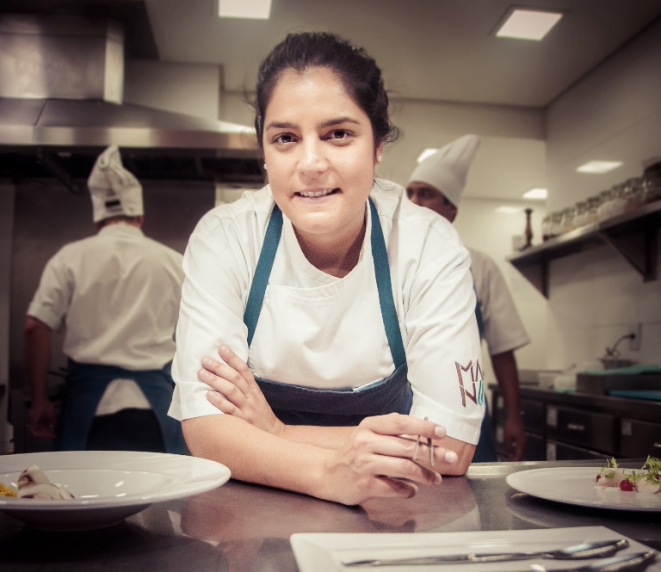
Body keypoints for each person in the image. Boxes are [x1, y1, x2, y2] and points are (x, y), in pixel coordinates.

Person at [169, 32, 484, 506]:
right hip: (250, 515)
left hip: (395, 512)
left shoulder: (427, 246)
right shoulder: (227, 238)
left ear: (378, 145)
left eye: (338, 134)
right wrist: (329, 473)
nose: (311, 164)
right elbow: (208, 430)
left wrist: (276, 431)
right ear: (264, 152)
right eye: (286, 139)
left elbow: (450, 447)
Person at [25, 145, 186, 454]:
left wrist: (40, 400)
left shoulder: (70, 258)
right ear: (138, 215)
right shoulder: (173, 262)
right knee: (160, 499)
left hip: (89, 412)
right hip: (156, 411)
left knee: (84, 496)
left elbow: (34, 327)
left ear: (99, 217)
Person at [406, 134, 530, 462]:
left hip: (463, 412)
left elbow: (502, 348)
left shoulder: (479, 265)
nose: (414, 201)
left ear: (452, 209)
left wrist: (513, 416)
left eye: (427, 194)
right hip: (400, 408)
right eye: (410, 192)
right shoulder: (391, 263)